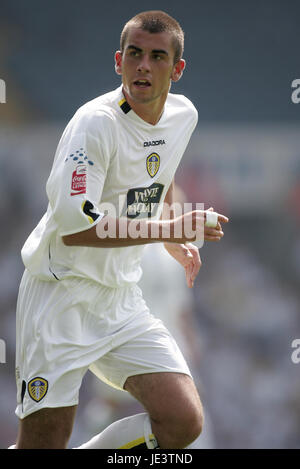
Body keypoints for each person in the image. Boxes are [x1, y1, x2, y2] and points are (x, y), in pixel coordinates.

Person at [12, 10, 229, 449]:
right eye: (134, 54)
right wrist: (165, 226)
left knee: (183, 421)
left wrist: (173, 236)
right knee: (44, 442)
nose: (143, 66)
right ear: (118, 61)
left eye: (156, 56)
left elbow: (160, 174)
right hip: (60, 298)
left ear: (177, 69)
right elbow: (76, 229)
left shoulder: (182, 116)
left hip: (120, 299)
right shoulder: (95, 124)